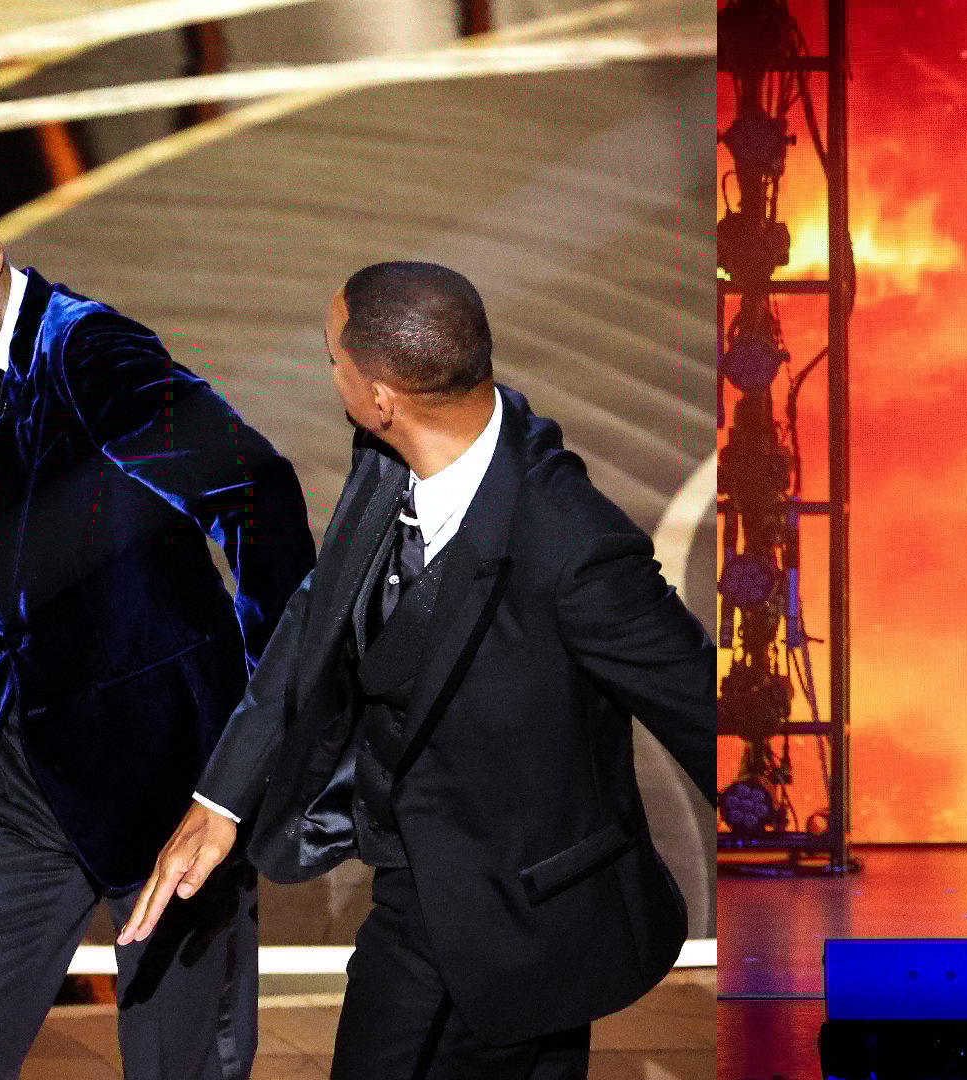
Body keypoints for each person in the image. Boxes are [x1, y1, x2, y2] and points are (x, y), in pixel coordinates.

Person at [117, 261, 717, 1078]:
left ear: (380, 395)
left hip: (529, 919)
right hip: (414, 893)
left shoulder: (577, 548)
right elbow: (316, 615)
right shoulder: (385, 457)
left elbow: (711, 719)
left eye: (333, 357)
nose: (330, 372)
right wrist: (220, 799)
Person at [0, 148, 316, 1079]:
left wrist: (250, 751)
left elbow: (258, 493)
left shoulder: (93, 355)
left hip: (167, 786)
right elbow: (2, 622)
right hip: (29, 777)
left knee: (180, 1070)